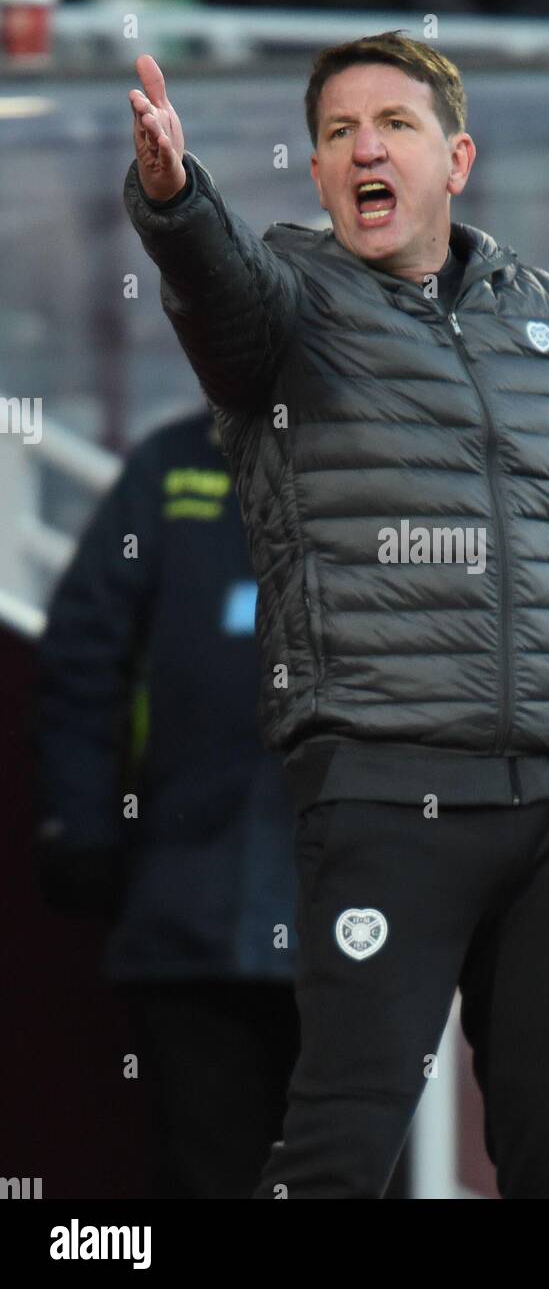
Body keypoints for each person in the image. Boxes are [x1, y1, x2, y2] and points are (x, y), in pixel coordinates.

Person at [122, 31, 549, 1200]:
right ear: (314, 173)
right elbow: (213, 278)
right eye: (338, 132)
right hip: (386, 789)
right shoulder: (289, 299)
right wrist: (171, 194)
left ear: (455, 157)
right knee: (343, 1145)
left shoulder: (543, 314)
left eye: (391, 124)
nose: (363, 148)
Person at [33, 409, 303, 1198]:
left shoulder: (398, 462)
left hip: (355, 920)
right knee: (205, 1171)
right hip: (187, 911)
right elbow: (80, 662)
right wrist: (78, 827)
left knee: (345, 1171)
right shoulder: (169, 467)